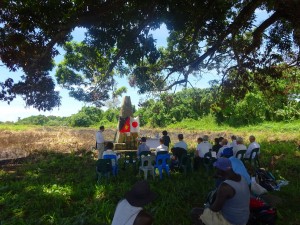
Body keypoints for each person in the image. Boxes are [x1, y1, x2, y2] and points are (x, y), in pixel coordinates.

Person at [191, 158, 250, 225]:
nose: (216, 170)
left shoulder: (224, 187)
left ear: (221, 170)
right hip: (243, 218)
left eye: (217, 168)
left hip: (231, 221)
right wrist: (221, 176)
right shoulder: (242, 178)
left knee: (195, 212)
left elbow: (215, 209)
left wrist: (207, 207)